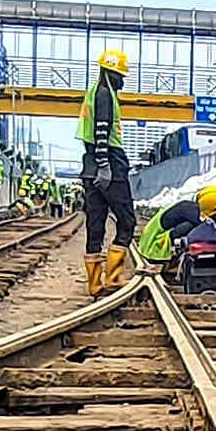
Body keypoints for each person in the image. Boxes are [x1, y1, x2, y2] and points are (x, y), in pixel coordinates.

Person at [79, 48, 136, 295]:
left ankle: (94, 283)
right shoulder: (105, 95)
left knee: (96, 223)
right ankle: (113, 278)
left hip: (90, 165)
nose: (122, 80)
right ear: (111, 72)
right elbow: (102, 131)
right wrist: (105, 166)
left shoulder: (94, 92)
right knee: (127, 221)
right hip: (109, 163)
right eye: (120, 75)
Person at [134, 182, 216, 265]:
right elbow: (209, 231)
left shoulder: (188, 207)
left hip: (149, 241)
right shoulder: (190, 213)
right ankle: (176, 258)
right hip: (154, 248)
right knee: (195, 231)